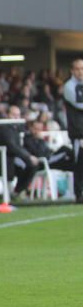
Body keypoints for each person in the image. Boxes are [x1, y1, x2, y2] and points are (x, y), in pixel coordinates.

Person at [0, 105, 38, 198]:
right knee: (28, 164)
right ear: (7, 115)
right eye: (13, 115)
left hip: (9, 158)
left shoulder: (14, 128)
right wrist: (28, 157)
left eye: (18, 115)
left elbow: (16, 147)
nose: (16, 118)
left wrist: (27, 156)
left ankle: (18, 191)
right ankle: (18, 192)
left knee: (31, 165)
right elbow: (12, 146)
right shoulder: (3, 127)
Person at [63, 57, 83, 203]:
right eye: (77, 69)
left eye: (82, 68)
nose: (80, 72)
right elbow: (78, 104)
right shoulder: (69, 86)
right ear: (72, 70)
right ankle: (79, 193)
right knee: (80, 162)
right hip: (79, 132)